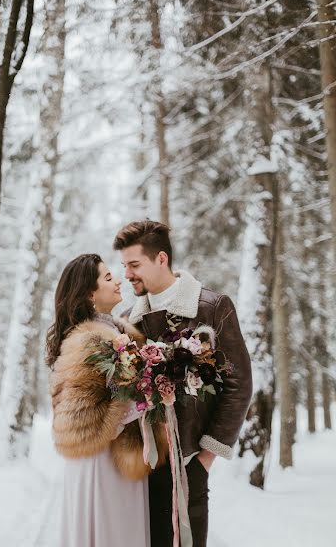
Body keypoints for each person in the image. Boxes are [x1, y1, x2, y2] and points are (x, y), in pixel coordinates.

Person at [113, 220, 253, 547]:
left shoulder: (212, 307)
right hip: (140, 470)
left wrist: (205, 458)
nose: (128, 274)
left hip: (187, 464)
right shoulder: (126, 320)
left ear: (161, 259)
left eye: (135, 265)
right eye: (124, 266)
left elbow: (239, 385)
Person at [46, 253, 168, 547]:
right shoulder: (89, 340)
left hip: (118, 460)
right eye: (108, 277)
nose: (118, 282)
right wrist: (149, 397)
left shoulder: (118, 334)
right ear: (90, 293)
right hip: (101, 463)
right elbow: (84, 417)